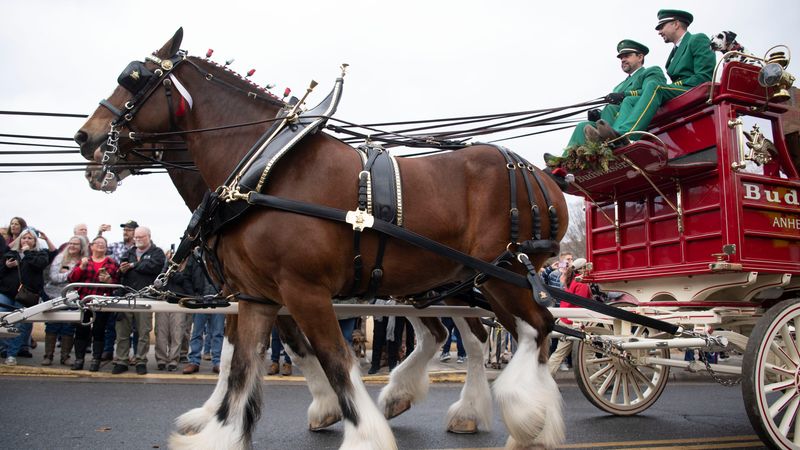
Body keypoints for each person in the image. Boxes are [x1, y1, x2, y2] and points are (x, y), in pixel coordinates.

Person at [596, 9, 715, 142]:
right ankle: (615, 134)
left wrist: (673, 85)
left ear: (676, 24)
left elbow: (704, 76)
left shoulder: (697, 39)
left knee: (655, 86)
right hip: (679, 90)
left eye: (661, 26)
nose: (659, 31)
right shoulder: (673, 54)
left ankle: (627, 135)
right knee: (629, 101)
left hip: (694, 88)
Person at [546, 40, 667, 165]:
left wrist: (624, 95)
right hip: (611, 122)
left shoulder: (651, 71)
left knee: (624, 102)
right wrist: (598, 115)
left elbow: (652, 92)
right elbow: (613, 108)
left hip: (631, 118)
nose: (623, 60)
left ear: (640, 57)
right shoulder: (619, 86)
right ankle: (563, 162)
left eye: (627, 56)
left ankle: (616, 139)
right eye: (621, 58)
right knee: (582, 125)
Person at [112, 226, 165, 375]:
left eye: (141, 237)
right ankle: (121, 360)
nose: (138, 240)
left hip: (145, 297)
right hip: (126, 296)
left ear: (149, 236)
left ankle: (141, 361)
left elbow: (154, 267)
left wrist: (134, 266)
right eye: (136, 237)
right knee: (122, 331)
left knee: (143, 332)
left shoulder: (157, 252)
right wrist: (122, 269)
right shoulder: (128, 253)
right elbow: (121, 270)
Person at [67, 235, 120, 371]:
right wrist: (82, 267)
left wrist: (108, 281)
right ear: (91, 246)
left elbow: (118, 284)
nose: (101, 245)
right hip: (84, 301)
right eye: (98, 243)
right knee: (81, 330)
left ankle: (95, 360)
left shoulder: (112, 263)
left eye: (103, 244)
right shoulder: (85, 261)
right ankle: (79, 360)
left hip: (101, 302)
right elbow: (72, 279)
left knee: (99, 330)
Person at [0, 228, 51, 365]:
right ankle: (5, 347)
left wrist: (27, 252)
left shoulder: (41, 254)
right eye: (24, 238)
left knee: (20, 324)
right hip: (6, 292)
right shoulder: (10, 253)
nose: (26, 240)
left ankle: (11, 354)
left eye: (29, 238)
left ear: (35, 241)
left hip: (26, 294)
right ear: (19, 240)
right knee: (2, 319)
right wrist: (6, 266)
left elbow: (39, 265)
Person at [42, 235, 89, 366]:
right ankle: (48, 356)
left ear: (81, 247)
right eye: (71, 243)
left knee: (68, 327)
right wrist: (72, 273)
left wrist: (69, 273)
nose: (73, 246)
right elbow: (54, 277)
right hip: (54, 296)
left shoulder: (84, 260)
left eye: (76, 244)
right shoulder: (60, 257)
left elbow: (81, 279)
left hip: (73, 297)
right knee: (52, 325)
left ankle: (65, 356)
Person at [183, 251, 224, 375]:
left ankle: (217, 362)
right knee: (196, 333)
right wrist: (193, 295)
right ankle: (194, 361)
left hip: (219, 300)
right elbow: (187, 276)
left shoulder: (220, 253)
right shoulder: (195, 255)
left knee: (218, 333)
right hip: (200, 299)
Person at [548, 258, 590, 375]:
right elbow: (581, 304)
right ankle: (600, 382)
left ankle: (545, 377)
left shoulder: (570, 280)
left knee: (559, 353)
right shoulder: (581, 284)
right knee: (588, 353)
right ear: (583, 269)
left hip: (566, 320)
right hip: (575, 322)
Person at [155, 255, 191, 372]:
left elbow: (188, 286)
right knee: (161, 332)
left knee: (177, 332)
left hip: (178, 303)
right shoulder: (166, 269)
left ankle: (173, 360)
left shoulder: (188, 269)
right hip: (164, 301)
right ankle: (161, 359)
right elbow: (158, 282)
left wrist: (177, 276)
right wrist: (167, 267)